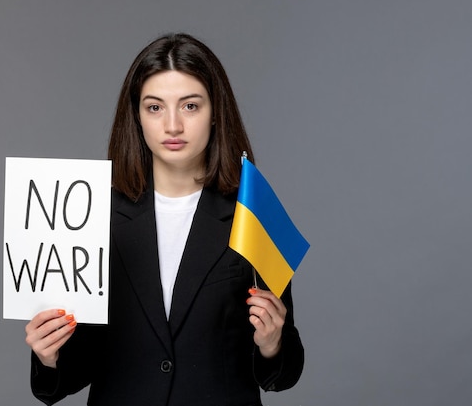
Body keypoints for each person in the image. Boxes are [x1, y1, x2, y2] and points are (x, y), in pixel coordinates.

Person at [25, 33, 304, 406]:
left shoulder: (254, 213)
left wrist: (272, 344)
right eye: (155, 108)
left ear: (216, 112)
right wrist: (49, 355)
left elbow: (284, 371)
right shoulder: (91, 216)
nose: (173, 126)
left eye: (190, 106)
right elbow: (81, 364)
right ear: (137, 116)